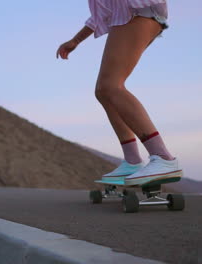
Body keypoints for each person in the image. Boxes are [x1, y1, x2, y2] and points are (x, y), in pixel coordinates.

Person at [56, 0, 182, 186]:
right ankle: (132, 161)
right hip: (131, 16)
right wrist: (76, 40)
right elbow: (105, 11)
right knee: (104, 91)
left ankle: (163, 158)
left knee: (112, 87)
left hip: (139, 13)